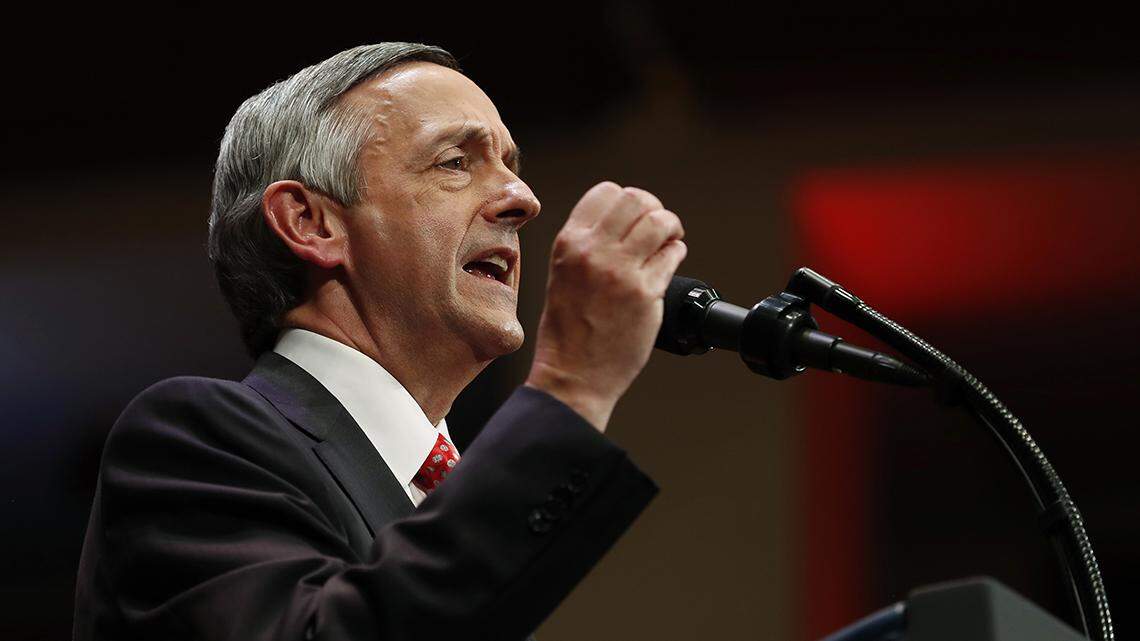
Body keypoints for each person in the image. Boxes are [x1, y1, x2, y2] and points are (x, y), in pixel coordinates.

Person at [73, 42, 686, 641]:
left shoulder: (456, 489)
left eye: (511, 166)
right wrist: (572, 388)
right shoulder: (194, 440)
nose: (522, 200)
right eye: (454, 162)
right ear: (311, 223)